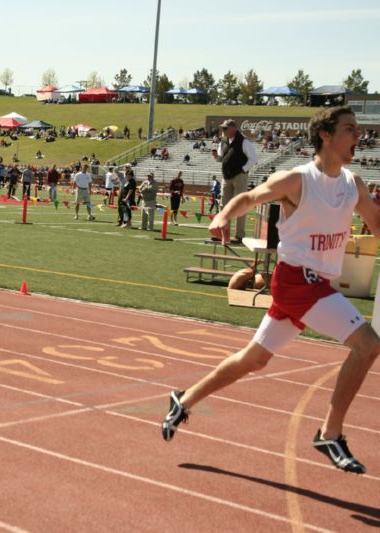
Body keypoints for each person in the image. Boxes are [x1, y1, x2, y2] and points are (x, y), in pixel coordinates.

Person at [161, 106, 380, 474]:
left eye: (358, 130)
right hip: (297, 282)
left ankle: (184, 398)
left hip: (318, 285)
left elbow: (376, 224)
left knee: (254, 359)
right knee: (369, 345)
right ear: (325, 135)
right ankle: (330, 432)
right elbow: (250, 197)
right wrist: (223, 216)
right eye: (349, 129)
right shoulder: (297, 180)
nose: (359, 136)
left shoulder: (352, 185)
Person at [212, 119, 259, 244]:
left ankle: (239, 235)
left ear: (233, 128)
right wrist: (216, 157)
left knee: (240, 205)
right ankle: (223, 233)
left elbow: (254, 158)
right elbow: (221, 157)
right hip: (226, 176)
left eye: (226, 128)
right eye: (223, 128)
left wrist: (243, 170)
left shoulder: (244, 141)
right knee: (224, 205)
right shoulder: (223, 141)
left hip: (239, 176)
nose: (223, 131)